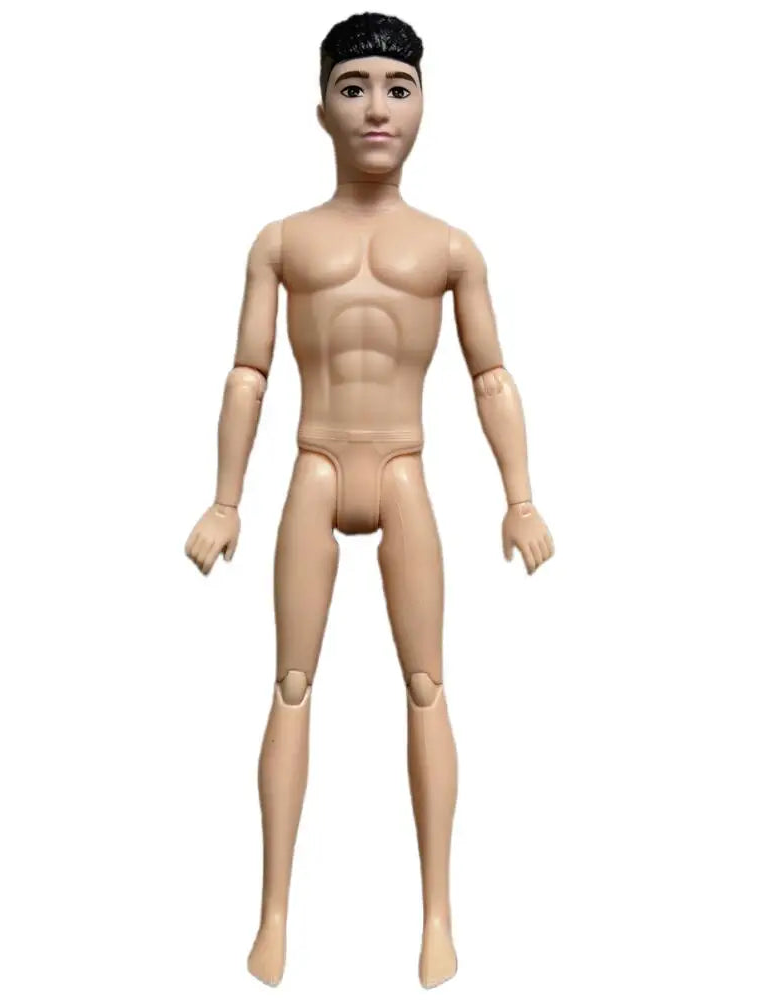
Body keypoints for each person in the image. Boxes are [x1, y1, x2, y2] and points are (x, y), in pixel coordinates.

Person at [184, 12, 554, 989]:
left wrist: (520, 496)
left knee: (426, 683)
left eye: (397, 88)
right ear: (321, 110)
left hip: (401, 469)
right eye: (353, 89)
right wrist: (224, 500)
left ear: (425, 105)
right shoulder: (281, 241)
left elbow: (490, 376)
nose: (376, 109)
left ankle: (437, 916)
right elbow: (248, 374)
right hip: (314, 465)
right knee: (291, 683)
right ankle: (272, 916)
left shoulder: (450, 248)